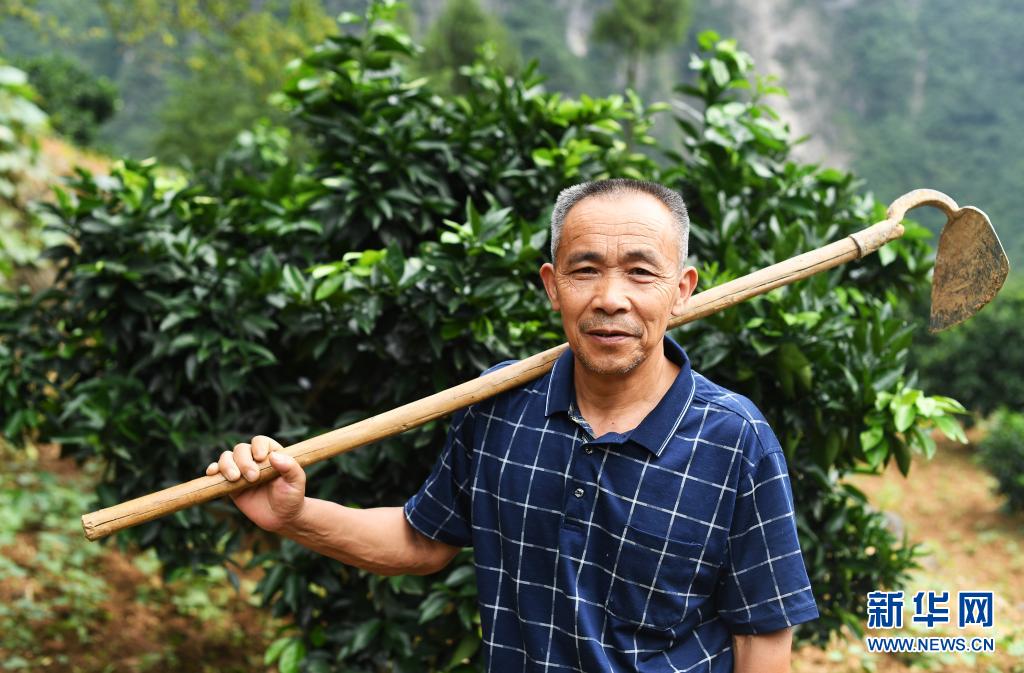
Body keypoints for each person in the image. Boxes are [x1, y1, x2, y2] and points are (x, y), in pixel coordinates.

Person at [207, 179, 819, 672]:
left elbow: (762, 637)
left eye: (640, 272)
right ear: (553, 286)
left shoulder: (734, 439)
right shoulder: (500, 404)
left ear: (681, 290)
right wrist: (294, 515)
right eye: (585, 270)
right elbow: (423, 541)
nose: (611, 298)